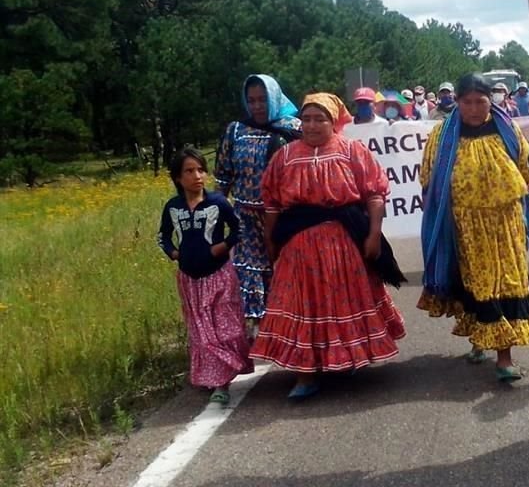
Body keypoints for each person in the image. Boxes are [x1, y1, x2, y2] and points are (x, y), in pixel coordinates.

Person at [250, 93, 406, 400]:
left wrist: (374, 234)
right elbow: (272, 204)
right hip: (299, 246)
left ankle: (344, 358)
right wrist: (271, 241)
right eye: (306, 119)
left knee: (341, 302)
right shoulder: (285, 156)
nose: (311, 125)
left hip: (343, 243)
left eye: (319, 119)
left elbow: (374, 194)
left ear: (333, 121)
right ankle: (305, 375)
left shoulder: (352, 150)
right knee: (301, 305)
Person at [419, 73, 529, 382]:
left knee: (508, 283)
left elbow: (527, 166)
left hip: (506, 222)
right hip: (466, 224)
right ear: (457, 102)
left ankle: (504, 358)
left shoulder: (507, 130)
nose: (474, 108)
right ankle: (481, 339)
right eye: (467, 102)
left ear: (492, 100)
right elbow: (429, 180)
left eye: (481, 101)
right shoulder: (442, 136)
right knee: (479, 284)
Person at [159, 147, 254, 406]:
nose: (197, 176)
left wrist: (221, 247)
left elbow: (238, 228)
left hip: (220, 275)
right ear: (178, 178)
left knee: (227, 330)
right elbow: (163, 236)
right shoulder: (173, 207)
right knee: (202, 333)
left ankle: (225, 371)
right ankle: (218, 383)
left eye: (201, 170)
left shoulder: (218, 203)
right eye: (189, 171)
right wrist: (175, 253)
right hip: (190, 280)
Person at [215, 74, 301, 336]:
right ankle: (256, 337)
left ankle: (288, 333)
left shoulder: (295, 129)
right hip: (245, 220)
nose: (257, 106)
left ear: (274, 98)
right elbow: (223, 176)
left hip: (285, 220)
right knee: (249, 275)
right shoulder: (236, 131)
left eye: (263, 99)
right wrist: (215, 216)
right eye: (251, 100)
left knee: (286, 275)